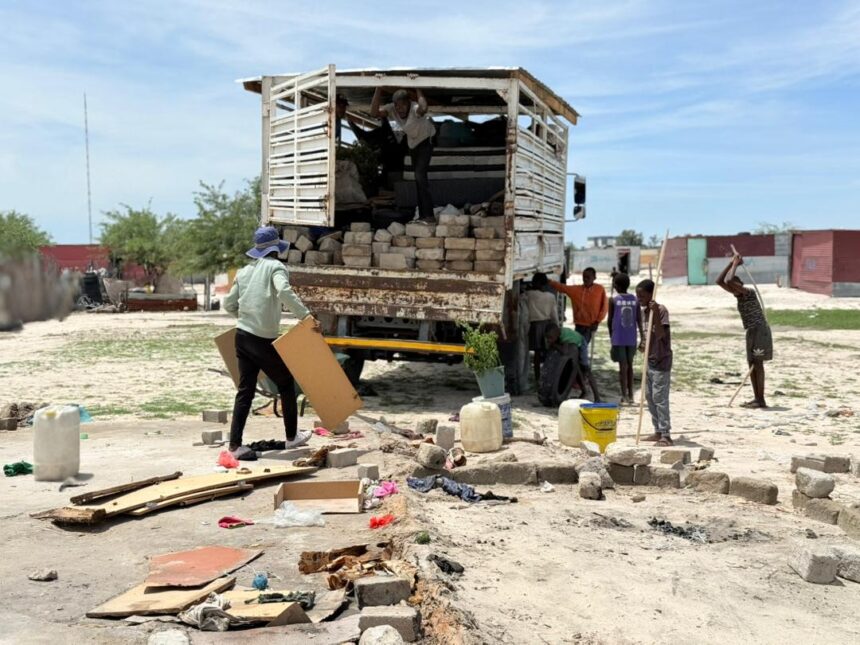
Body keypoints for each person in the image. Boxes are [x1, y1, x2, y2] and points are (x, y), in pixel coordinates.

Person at [223, 226, 320, 455]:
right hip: (262, 339)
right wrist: (306, 317)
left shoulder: (244, 271)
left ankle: (235, 446)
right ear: (276, 249)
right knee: (286, 383)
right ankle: (292, 437)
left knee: (245, 391)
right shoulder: (276, 267)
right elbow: (284, 292)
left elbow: (228, 304)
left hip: (242, 336)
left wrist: (247, 317)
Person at [716, 253, 772, 408]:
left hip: (760, 330)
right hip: (751, 331)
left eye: (736, 284)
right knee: (751, 363)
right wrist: (730, 263)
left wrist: (735, 264)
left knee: (758, 364)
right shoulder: (738, 295)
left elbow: (728, 280)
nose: (732, 286)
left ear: (740, 284)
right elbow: (720, 281)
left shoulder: (749, 292)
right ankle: (757, 398)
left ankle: (761, 400)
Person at [371, 87, 436, 220]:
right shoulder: (392, 109)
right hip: (413, 143)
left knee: (420, 176)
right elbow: (373, 113)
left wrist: (418, 88)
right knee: (418, 179)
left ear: (409, 103)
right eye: (397, 105)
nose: (399, 109)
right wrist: (379, 88)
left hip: (426, 140)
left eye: (403, 105)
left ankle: (429, 215)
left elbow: (424, 108)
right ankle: (422, 215)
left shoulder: (414, 107)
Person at [548, 267, 607, 401]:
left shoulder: (600, 290)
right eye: (584, 277)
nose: (585, 279)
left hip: (590, 327)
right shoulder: (577, 290)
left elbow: (604, 307)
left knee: (581, 358)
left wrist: (598, 321)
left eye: (588, 277)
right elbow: (562, 288)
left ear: (594, 278)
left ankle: (584, 384)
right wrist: (549, 282)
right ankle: (581, 383)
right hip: (579, 326)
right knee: (577, 358)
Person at [636, 279, 673, 446]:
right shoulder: (644, 312)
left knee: (660, 398)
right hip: (649, 360)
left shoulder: (661, 310)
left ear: (651, 294)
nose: (639, 299)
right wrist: (642, 345)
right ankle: (657, 430)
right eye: (637, 296)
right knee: (650, 397)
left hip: (661, 360)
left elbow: (660, 335)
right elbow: (646, 335)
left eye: (642, 296)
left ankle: (666, 434)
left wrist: (655, 313)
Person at [607, 273, 642, 405]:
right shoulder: (635, 300)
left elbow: (609, 321)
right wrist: (642, 337)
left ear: (616, 286)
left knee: (623, 367)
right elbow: (639, 320)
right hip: (631, 337)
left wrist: (611, 336)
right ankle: (631, 395)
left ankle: (624, 396)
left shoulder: (613, 300)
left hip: (618, 338)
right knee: (630, 366)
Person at [526, 273, 560, 385]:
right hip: (546, 325)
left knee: (535, 353)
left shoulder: (527, 294)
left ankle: (537, 377)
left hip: (533, 326)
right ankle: (546, 376)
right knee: (546, 351)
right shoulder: (550, 296)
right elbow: (554, 315)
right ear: (545, 284)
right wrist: (557, 328)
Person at [544, 322, 586, 395]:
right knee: (576, 368)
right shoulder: (556, 334)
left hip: (581, 343)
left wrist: (554, 345)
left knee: (584, 366)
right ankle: (584, 390)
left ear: (557, 333)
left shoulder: (564, 336)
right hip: (573, 344)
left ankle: (587, 381)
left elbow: (565, 351)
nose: (548, 340)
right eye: (547, 337)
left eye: (550, 337)